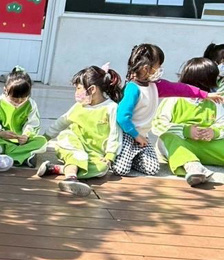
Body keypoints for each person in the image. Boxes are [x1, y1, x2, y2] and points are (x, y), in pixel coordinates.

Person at [114, 43, 222, 177]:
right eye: (158, 66)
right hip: (128, 134)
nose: (160, 69)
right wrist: (136, 135)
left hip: (143, 136)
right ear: (146, 68)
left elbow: (181, 88)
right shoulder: (133, 89)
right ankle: (120, 156)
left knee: (152, 169)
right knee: (121, 169)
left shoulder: (155, 86)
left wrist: (205, 95)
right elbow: (122, 117)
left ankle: (134, 157)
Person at [36, 64, 123, 197]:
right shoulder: (79, 106)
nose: (76, 93)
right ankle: (71, 179)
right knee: (76, 152)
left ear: (92, 89)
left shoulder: (111, 108)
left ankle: (58, 169)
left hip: (93, 152)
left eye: (78, 88)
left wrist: (110, 155)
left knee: (101, 169)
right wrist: (45, 138)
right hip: (73, 144)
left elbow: (114, 134)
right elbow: (61, 122)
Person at [153, 57, 224, 187]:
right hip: (182, 143)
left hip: (207, 145)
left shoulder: (214, 102)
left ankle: (194, 161)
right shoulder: (174, 99)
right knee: (166, 138)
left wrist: (214, 132)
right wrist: (185, 131)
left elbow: (222, 124)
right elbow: (158, 124)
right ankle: (193, 167)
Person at [0, 67, 48, 166]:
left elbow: (33, 123)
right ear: (5, 90)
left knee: (42, 141)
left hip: (23, 141)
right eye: (14, 98)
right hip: (3, 139)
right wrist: (0, 132)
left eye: (23, 97)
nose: (19, 101)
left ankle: (3, 155)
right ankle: (24, 155)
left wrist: (26, 135)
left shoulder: (31, 105)